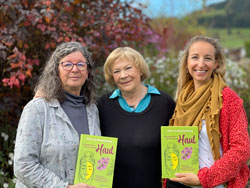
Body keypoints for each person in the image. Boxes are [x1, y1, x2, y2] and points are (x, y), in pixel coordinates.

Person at [163, 36, 250, 188]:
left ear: (216, 63)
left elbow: (241, 149)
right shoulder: (183, 97)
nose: (200, 64)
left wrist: (204, 179)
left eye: (208, 58)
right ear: (187, 62)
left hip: (214, 184)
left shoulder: (228, 98)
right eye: (195, 57)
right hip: (180, 183)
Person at [14, 42, 101, 188]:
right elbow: (23, 166)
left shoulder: (92, 110)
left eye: (81, 64)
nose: (75, 69)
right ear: (56, 71)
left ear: (88, 72)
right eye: (67, 64)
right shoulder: (38, 109)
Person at [97, 47, 176, 188]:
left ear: (140, 70)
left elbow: (177, 150)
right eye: (116, 71)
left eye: (128, 68)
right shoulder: (102, 106)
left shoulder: (164, 103)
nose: (123, 75)